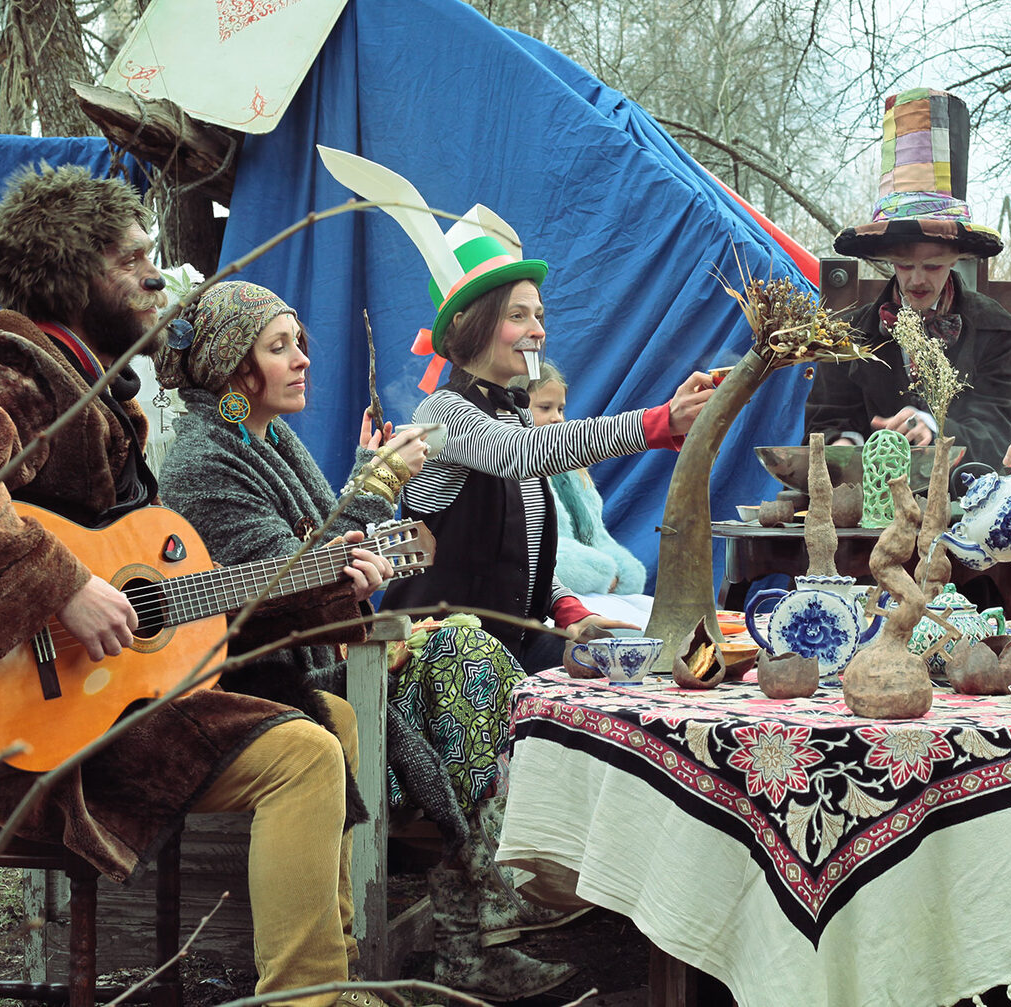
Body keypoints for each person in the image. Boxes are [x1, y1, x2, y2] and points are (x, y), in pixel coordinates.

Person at [0, 165, 394, 1007]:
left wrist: (329, 582)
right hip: (24, 725)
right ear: (73, 278)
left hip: (95, 694)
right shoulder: (23, 369)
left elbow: (175, 600)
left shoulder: (99, 386)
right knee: (301, 755)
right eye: (132, 258)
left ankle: (331, 976)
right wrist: (61, 584)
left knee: (324, 716)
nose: (158, 274)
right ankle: (307, 999)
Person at [153, 281, 573, 1000]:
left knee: (466, 648)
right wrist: (378, 481)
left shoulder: (268, 438)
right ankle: (475, 911)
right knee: (465, 657)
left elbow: (336, 551)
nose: (302, 360)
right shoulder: (203, 460)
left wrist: (384, 595)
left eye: (301, 344)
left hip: (326, 661)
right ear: (230, 366)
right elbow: (294, 572)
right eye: (279, 347)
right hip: (270, 682)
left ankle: (475, 916)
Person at [383, 207, 712, 673]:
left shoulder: (512, 414)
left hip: (510, 647)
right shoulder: (442, 412)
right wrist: (659, 423)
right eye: (518, 315)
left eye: (539, 314)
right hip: (439, 661)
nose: (538, 329)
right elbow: (519, 453)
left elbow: (522, 559)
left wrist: (568, 609)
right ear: (470, 323)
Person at [803, 88, 1011, 468]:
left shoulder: (994, 328)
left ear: (956, 259)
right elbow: (826, 420)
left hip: (963, 497)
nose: (917, 279)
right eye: (905, 266)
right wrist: (847, 444)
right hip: (871, 500)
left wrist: (936, 429)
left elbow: (1001, 426)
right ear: (889, 261)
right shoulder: (849, 335)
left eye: (934, 266)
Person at [521, 362, 654, 628]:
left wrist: (618, 569)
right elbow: (535, 552)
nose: (557, 418)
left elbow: (595, 535)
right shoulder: (514, 471)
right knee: (627, 633)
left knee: (654, 614)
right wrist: (600, 570)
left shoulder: (570, 469)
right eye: (544, 408)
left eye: (560, 409)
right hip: (551, 597)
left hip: (593, 587)